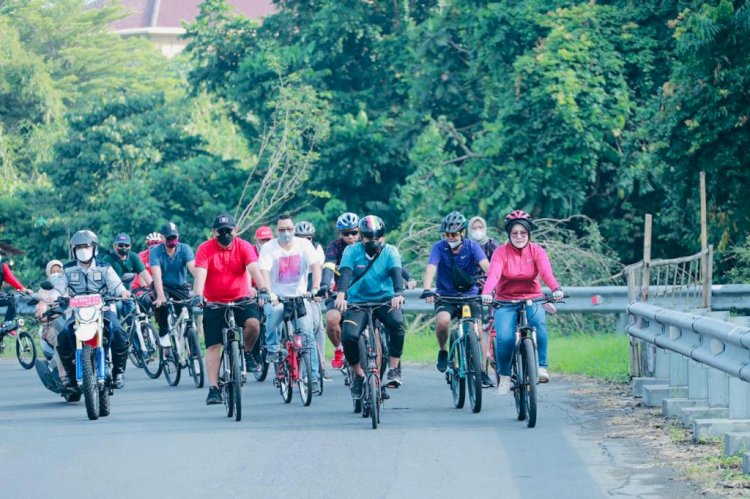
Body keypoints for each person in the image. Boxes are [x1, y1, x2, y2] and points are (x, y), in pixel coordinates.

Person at [481, 210, 564, 394]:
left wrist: (556, 289)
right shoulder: (501, 252)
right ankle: (504, 376)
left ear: (529, 234)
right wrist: (487, 293)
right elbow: (493, 274)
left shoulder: (537, 251)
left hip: (532, 298)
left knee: (539, 324)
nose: (519, 237)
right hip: (506, 301)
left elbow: (546, 274)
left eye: (523, 233)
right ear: (509, 234)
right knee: (505, 338)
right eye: (515, 233)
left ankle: (541, 366)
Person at [322, 212, 416, 370]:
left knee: (385, 331)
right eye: (346, 233)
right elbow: (333, 268)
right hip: (347, 294)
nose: (351, 236)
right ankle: (342, 352)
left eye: (354, 232)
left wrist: (406, 282)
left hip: (380, 298)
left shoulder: (383, 247)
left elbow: (392, 265)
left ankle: (383, 374)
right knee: (337, 324)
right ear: (340, 234)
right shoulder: (342, 249)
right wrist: (326, 286)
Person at [192, 213, 268, 405]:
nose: (225, 234)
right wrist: (198, 296)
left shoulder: (243, 246)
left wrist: (264, 289)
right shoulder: (205, 249)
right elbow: (200, 274)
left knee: (254, 324)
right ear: (214, 232)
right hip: (214, 302)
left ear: (235, 230)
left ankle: (248, 352)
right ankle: (214, 388)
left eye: (228, 231)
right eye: (220, 231)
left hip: (241, 299)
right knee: (213, 345)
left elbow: (253, 269)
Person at [420, 211, 494, 387]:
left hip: (470, 295)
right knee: (443, 322)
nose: (450, 237)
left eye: (453, 234)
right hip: (446, 296)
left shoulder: (472, 246)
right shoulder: (439, 247)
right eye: (446, 234)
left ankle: (482, 370)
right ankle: (443, 350)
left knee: (477, 329)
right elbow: (431, 267)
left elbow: (487, 268)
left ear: (462, 233)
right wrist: (427, 289)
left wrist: (493, 287)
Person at [334, 215, 406, 397]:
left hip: (385, 300)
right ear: (361, 237)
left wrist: (398, 294)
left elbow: (397, 274)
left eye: (377, 237)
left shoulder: (391, 251)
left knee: (397, 324)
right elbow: (345, 274)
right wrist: (341, 295)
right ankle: (358, 374)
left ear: (383, 236)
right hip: (358, 302)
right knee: (349, 336)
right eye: (368, 237)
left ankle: (394, 369)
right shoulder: (351, 251)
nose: (373, 241)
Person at [55, 230, 131, 389]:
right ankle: (70, 374)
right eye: (79, 247)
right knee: (63, 335)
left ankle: (118, 371)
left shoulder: (105, 267)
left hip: (103, 309)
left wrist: (123, 292)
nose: (83, 250)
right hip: (78, 313)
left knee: (117, 331)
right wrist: (51, 298)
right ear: (74, 250)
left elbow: (116, 285)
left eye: (87, 246)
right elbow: (58, 288)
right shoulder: (67, 269)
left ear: (94, 248)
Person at [258, 214, 322, 393]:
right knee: (273, 315)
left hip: (299, 297)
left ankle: (313, 378)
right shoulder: (269, 248)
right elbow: (263, 271)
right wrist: (269, 292)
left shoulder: (304, 245)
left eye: (289, 229)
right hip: (278, 297)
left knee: (307, 338)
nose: (286, 233)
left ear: (294, 230)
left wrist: (315, 287)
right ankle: (272, 348)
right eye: (282, 229)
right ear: (277, 231)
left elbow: (316, 266)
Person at [150, 222, 196, 349]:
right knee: (161, 304)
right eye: (169, 238)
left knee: (188, 318)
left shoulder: (185, 249)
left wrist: (203, 284)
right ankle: (164, 331)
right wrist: (160, 296)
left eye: (174, 238)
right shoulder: (155, 252)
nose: (172, 241)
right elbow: (156, 274)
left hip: (180, 286)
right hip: (163, 285)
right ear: (163, 238)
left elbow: (193, 268)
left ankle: (193, 350)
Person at [294, 220, 329, 380]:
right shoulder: (290, 250)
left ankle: (320, 363)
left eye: (308, 238)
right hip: (293, 292)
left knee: (317, 327)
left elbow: (319, 270)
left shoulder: (317, 250)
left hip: (310, 291)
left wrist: (318, 289)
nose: (305, 241)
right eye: (301, 238)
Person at [101, 233, 153, 328]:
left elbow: (145, 275)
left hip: (129, 296)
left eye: (126, 245)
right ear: (114, 246)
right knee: (118, 308)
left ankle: (137, 338)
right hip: (112, 297)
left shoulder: (133, 257)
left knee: (134, 317)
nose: (123, 247)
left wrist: (155, 288)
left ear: (130, 246)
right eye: (120, 245)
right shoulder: (108, 259)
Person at [0, 249, 32, 333]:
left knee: (12, 300)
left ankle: (7, 324)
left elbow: (12, 280)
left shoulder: (2, 267)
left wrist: (23, 289)